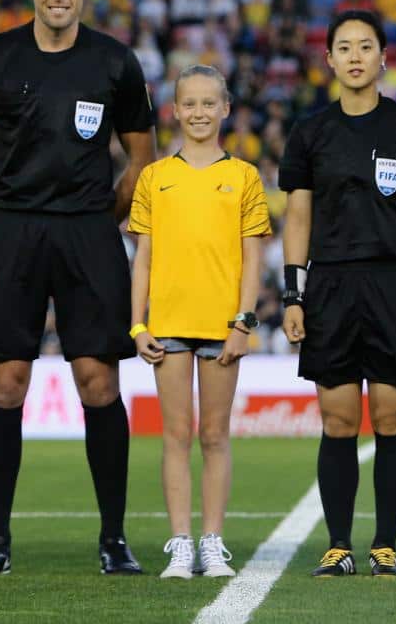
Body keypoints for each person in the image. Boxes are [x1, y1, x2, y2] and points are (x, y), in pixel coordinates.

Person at [0, 0, 155, 575]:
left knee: (99, 382)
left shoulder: (115, 62)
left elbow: (140, 160)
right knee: (5, 384)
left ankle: (114, 538)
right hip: (13, 232)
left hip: (88, 235)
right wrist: (3, 219)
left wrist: (103, 221)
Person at [279, 10, 396, 577]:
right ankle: (340, 545)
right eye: (343, 47)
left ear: (382, 58)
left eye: (365, 46)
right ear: (328, 59)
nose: (354, 56)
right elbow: (296, 219)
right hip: (330, 285)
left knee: (394, 418)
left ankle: (385, 545)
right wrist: (292, 294)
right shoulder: (309, 132)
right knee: (338, 419)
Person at [129, 65, 270, 580]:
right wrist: (137, 325)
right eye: (189, 103)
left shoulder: (244, 176)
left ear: (226, 109)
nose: (199, 113)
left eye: (209, 103)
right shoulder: (154, 177)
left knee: (214, 434)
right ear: (174, 109)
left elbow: (251, 258)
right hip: (166, 324)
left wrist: (244, 321)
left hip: (221, 326)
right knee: (176, 435)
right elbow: (142, 258)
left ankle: (212, 542)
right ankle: (180, 544)